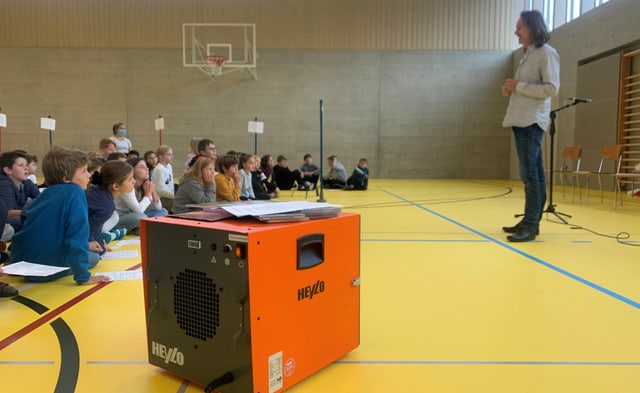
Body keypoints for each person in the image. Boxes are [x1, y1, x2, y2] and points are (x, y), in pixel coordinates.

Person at [10, 147, 111, 285]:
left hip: (21, 264)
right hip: (46, 269)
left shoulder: (44, 193)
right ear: (66, 179)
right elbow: (76, 236)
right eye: (84, 171)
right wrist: (83, 277)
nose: (89, 175)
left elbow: (26, 218)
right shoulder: (75, 192)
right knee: (93, 257)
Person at [501, 10, 560, 243]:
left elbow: (551, 89)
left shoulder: (547, 54)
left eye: (520, 27)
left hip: (531, 122)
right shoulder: (529, 54)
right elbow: (525, 87)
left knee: (530, 176)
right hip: (521, 120)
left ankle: (531, 224)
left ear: (533, 28)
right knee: (533, 174)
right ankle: (530, 218)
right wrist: (511, 88)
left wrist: (519, 86)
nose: (516, 31)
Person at [86, 160, 135, 253]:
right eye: (130, 179)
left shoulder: (97, 192)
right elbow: (87, 231)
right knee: (94, 257)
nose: (134, 181)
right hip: (70, 241)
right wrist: (101, 248)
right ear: (116, 186)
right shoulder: (106, 205)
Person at [114, 157, 168, 233]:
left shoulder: (144, 186)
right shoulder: (127, 186)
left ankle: (138, 229)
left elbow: (158, 208)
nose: (147, 169)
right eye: (142, 167)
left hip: (132, 215)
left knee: (163, 211)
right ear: (132, 170)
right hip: (119, 218)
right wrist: (148, 194)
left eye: (146, 167)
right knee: (140, 217)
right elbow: (138, 211)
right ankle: (139, 228)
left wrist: (153, 191)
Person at [0, 150, 41, 231]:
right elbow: (6, 213)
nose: (26, 168)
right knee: (29, 220)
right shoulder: (4, 185)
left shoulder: (26, 183)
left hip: (18, 214)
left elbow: (41, 198)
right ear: (8, 170)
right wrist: (29, 212)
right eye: (21, 165)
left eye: (26, 165)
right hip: (6, 220)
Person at [151, 145, 175, 211]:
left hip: (169, 196)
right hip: (161, 199)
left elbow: (170, 184)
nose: (172, 157)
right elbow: (160, 190)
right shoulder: (159, 170)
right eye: (169, 155)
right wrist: (174, 196)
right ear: (161, 157)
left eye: (172, 154)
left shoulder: (169, 166)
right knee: (180, 203)